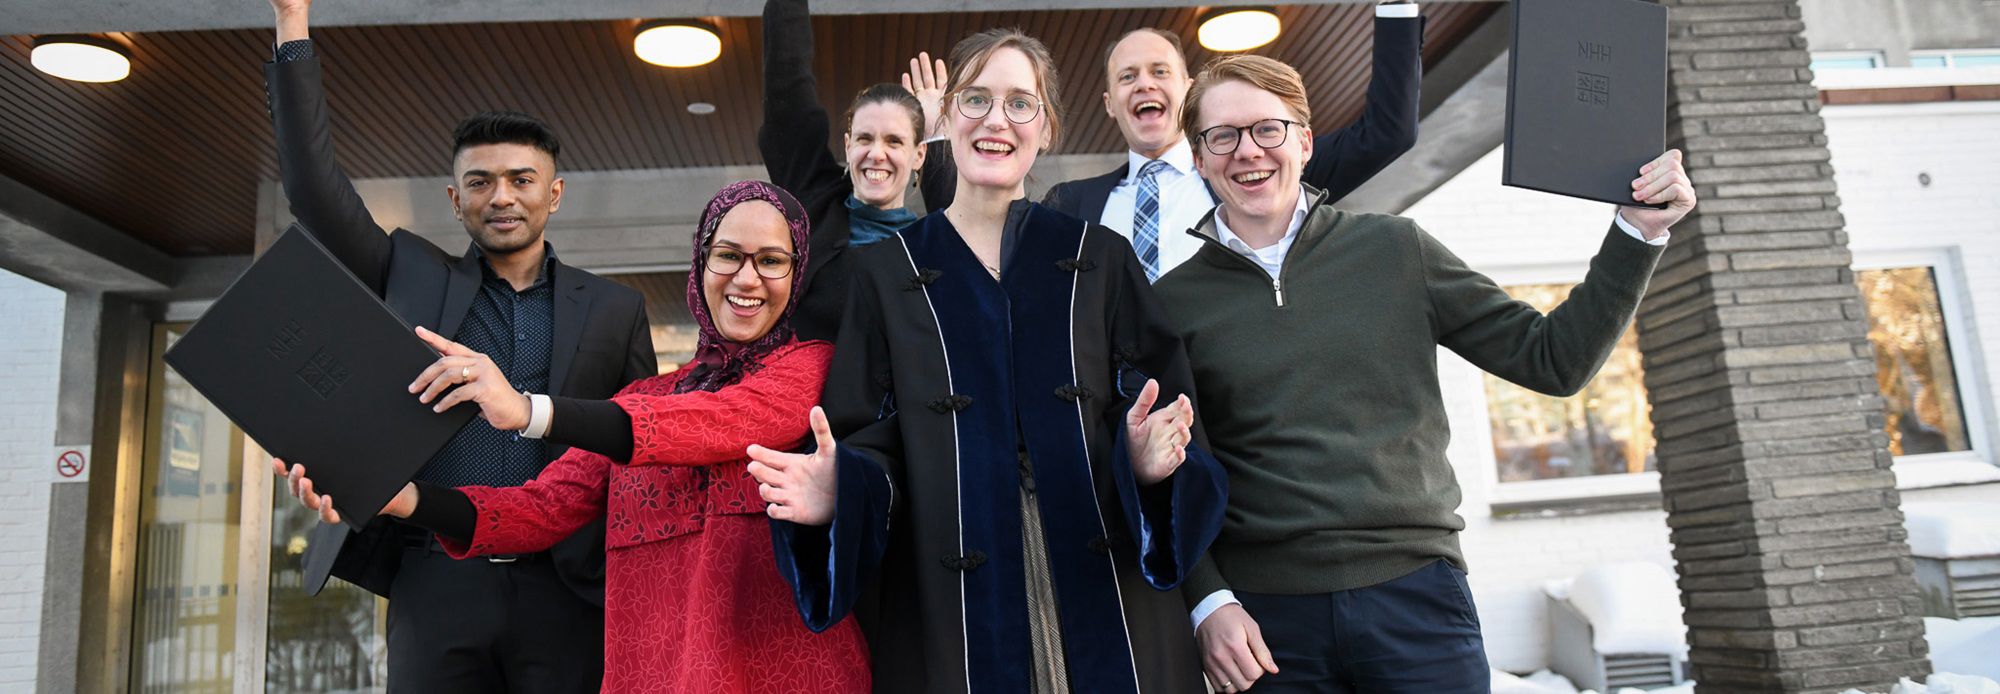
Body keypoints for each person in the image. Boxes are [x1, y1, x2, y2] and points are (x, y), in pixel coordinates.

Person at [1152, 54, 1694, 692]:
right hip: (1266, 624)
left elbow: (1554, 360)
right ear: (1198, 154)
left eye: (1267, 129)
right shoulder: (1170, 303)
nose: (1248, 152)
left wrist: (1638, 233)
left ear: (1303, 139)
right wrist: (1209, 599)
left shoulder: (1395, 250)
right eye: (1223, 136)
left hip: (1417, 601)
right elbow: (1175, 477)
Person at [745, 28, 1228, 694]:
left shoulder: (1102, 258)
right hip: (956, 614)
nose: (996, 120)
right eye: (975, 99)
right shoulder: (887, 275)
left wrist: (1146, 462)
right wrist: (842, 490)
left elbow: (1164, 413)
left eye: (1019, 103)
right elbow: (871, 439)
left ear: (1047, 126)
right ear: (944, 120)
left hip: (1107, 597)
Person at [277, 181, 872, 694]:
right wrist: (402, 497)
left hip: (788, 674)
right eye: (728, 255)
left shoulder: (811, 369)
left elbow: (717, 421)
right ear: (700, 263)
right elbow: (538, 508)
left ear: (795, 276)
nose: (748, 277)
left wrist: (527, 410)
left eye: (772, 260)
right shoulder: (642, 397)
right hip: (653, 675)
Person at [263, 0, 654, 690]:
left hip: (568, 588)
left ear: (553, 193)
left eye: (520, 180)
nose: (500, 196)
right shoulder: (411, 274)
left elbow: (637, 449)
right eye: (480, 182)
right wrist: (293, 26)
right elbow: (313, 193)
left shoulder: (616, 310)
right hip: (436, 580)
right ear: (454, 199)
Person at [920, 0, 1424, 282]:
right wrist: (943, 134)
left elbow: (1386, 133)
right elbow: (979, 233)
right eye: (1127, 77)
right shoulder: (1072, 204)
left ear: (1187, 90)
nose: (1144, 85)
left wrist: (1397, 9)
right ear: (1109, 104)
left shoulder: (1251, 172)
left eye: (1160, 71)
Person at [760, 0, 952, 341]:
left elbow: (971, 231)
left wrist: (938, 134)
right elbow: (788, 99)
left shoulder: (936, 246)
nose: (876, 154)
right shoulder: (815, 213)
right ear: (848, 146)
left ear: (919, 154)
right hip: (812, 393)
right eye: (865, 138)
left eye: (894, 141)